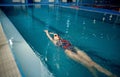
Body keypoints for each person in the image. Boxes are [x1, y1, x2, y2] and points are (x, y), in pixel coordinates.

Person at [44, 30, 117, 77]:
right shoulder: (54, 42)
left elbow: (55, 33)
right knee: (89, 64)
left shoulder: (62, 39)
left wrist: (53, 33)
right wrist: (47, 33)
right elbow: (50, 38)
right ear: (54, 38)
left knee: (91, 62)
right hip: (68, 52)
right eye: (55, 36)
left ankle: (110, 74)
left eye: (56, 35)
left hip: (75, 48)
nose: (56, 36)